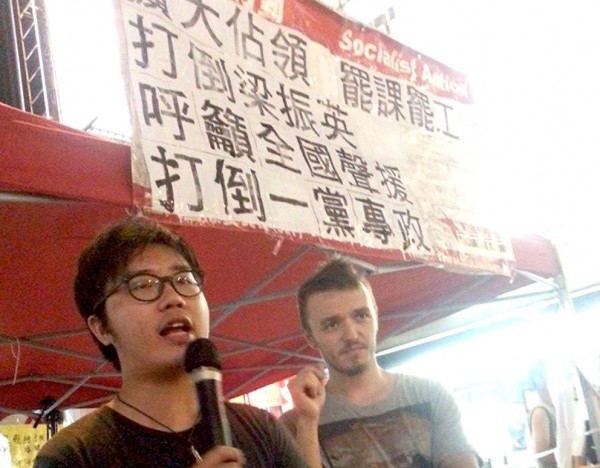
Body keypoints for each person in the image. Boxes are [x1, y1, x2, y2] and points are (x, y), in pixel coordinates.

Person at [34, 216, 314, 468]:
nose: (174, 298)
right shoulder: (72, 456)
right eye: (143, 285)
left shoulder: (260, 429)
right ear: (101, 327)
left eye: (184, 279)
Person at [281, 258, 480, 468]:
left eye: (361, 316)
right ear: (310, 337)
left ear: (375, 316)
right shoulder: (296, 424)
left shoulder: (431, 395)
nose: (351, 334)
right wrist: (308, 422)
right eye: (332, 324)